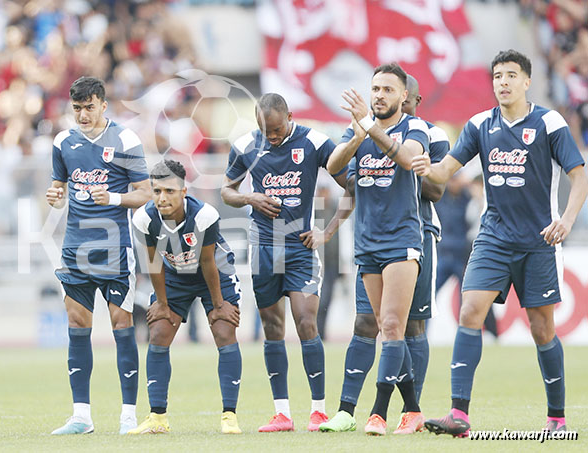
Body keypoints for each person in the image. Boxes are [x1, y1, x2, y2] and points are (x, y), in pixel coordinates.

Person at [414, 49, 588, 437]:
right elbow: (445, 171)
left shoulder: (549, 122)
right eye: (497, 76)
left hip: (539, 240)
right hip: (493, 237)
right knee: (469, 311)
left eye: (511, 75)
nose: (503, 82)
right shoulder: (479, 124)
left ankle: (557, 417)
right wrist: (427, 167)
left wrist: (567, 220)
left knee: (542, 329)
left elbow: (580, 175)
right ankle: (459, 414)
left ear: (527, 81)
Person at [320, 74, 449, 433]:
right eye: (375, 89)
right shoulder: (360, 128)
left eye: (388, 90)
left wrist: (368, 128)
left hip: (407, 237)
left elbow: (416, 168)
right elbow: (335, 169)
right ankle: (409, 409)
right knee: (377, 324)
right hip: (367, 242)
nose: (379, 95)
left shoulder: (420, 129)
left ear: (407, 97)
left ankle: (379, 412)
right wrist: (360, 130)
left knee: (401, 326)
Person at [221, 93, 351, 432]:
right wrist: (249, 197)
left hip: (300, 248)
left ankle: (319, 410)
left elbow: (352, 186)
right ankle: (282, 413)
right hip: (263, 247)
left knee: (306, 321)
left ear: (290, 116)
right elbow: (226, 191)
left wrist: (327, 231)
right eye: (266, 131)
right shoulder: (247, 145)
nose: (272, 137)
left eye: (277, 130)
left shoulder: (315, 142)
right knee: (272, 327)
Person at [46, 76, 151, 435]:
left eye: (89, 107)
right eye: (77, 108)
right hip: (76, 249)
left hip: (115, 248)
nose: (83, 114)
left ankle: (127, 416)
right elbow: (60, 183)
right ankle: (81, 416)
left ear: (103, 105)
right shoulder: (63, 141)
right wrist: (55, 193)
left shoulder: (125, 139)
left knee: (122, 325)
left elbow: (146, 192)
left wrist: (116, 198)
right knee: (77, 326)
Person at [129, 160, 243, 435]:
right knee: (158, 332)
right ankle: (158, 418)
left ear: (183, 191)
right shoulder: (143, 218)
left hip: (213, 273)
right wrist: (163, 304)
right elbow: (154, 262)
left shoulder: (205, 215)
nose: (162, 198)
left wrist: (218, 305)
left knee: (224, 331)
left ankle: (229, 416)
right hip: (174, 275)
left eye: (169, 191)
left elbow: (207, 262)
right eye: (156, 191)